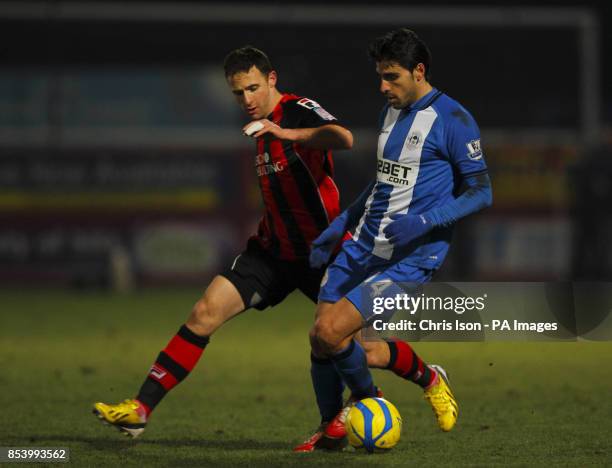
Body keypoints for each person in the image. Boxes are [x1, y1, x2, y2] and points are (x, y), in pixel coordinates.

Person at [91, 46, 428, 441]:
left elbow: (343, 137)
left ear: (271, 79)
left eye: (253, 88)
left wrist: (285, 131)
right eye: (238, 93)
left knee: (363, 349)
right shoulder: (256, 127)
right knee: (204, 312)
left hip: (325, 253)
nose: (246, 100)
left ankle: (424, 379)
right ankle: (140, 409)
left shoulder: (297, 109)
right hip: (272, 252)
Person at [297, 28, 493, 448]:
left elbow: (482, 192)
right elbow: (386, 179)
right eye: (380, 77)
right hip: (363, 243)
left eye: (392, 77)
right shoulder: (392, 110)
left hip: (411, 257)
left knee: (334, 335)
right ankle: (414, 384)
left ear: (418, 71)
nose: (383, 86)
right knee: (333, 341)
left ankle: (368, 403)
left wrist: (425, 222)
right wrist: (342, 223)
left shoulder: (453, 119)